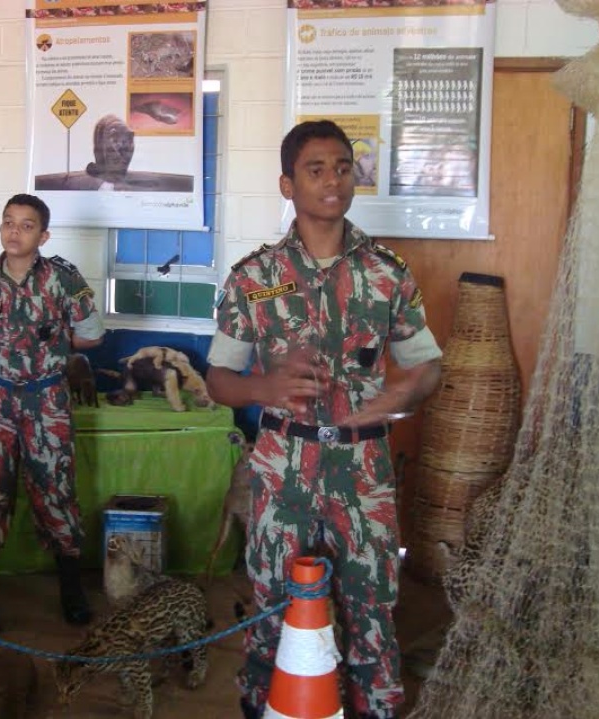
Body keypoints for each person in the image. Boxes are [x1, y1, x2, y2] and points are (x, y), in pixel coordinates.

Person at [205, 120, 443, 719]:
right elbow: (218, 382)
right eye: (316, 169)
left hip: (364, 469)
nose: (333, 180)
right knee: (272, 610)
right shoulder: (254, 279)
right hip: (283, 466)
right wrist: (265, 385)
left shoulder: (388, 273)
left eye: (342, 167)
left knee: (372, 615)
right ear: (288, 184)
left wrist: (400, 395)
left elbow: (427, 368)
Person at [0, 193, 104, 626]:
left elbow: (91, 334)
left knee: (55, 488)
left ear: (44, 234)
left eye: (26, 225)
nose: (14, 231)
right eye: (8, 222)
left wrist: (50, 346)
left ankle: (71, 587)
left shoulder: (63, 279)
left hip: (46, 399)